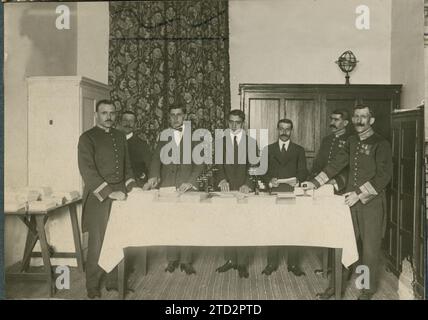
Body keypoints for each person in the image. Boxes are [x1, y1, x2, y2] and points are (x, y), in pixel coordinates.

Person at [303, 104, 393, 300]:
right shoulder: (351, 141)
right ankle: (335, 287)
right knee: (342, 244)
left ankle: (366, 289)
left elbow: (384, 176)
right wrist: (314, 183)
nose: (359, 120)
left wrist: (359, 193)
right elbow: (335, 165)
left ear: (372, 120)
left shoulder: (381, 143)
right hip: (349, 203)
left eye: (364, 116)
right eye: (356, 116)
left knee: (369, 249)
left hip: (371, 204)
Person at [78, 100, 136, 299]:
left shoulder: (120, 136)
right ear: (96, 115)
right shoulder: (87, 138)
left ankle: (114, 282)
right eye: (104, 113)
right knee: (98, 242)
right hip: (99, 196)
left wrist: (132, 188)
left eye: (112, 113)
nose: (109, 117)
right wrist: (109, 193)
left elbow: (127, 167)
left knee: (120, 237)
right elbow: (88, 171)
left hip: (121, 195)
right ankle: (92, 286)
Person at [143, 105, 203, 275]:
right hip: (167, 185)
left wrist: (190, 182)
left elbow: (200, 164)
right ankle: (172, 260)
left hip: (186, 187)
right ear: (169, 118)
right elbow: (156, 159)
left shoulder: (195, 136)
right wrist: (153, 176)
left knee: (187, 224)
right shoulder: (163, 136)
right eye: (173, 115)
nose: (176, 118)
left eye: (179, 115)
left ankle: (186, 261)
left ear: (185, 116)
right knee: (169, 223)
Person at [261, 119, 308, 277]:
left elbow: (303, 171)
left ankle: (293, 264)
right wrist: (269, 180)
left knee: (293, 228)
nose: (284, 132)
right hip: (273, 193)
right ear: (277, 130)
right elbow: (263, 171)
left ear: (291, 131)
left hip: (291, 193)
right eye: (281, 129)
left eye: (287, 129)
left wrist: (299, 180)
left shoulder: (299, 150)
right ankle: (271, 263)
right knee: (272, 228)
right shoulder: (268, 149)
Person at [215, 109, 254, 278]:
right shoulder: (220, 142)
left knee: (244, 226)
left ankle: (242, 263)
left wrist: (248, 184)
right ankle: (230, 260)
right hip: (226, 191)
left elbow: (254, 168)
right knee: (226, 226)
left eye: (237, 122)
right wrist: (221, 180)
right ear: (227, 122)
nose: (234, 125)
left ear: (243, 123)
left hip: (244, 192)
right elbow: (216, 166)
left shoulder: (251, 143)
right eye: (231, 121)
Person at [311, 109, 352, 194]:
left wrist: (336, 181)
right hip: (322, 184)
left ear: (345, 123)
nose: (332, 123)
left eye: (336, 120)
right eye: (331, 119)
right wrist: (313, 178)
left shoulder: (351, 140)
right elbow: (319, 163)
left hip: (341, 186)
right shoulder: (327, 140)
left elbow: (352, 167)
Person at [119, 110, 152, 187]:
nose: (128, 123)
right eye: (125, 120)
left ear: (135, 124)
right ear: (120, 122)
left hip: (136, 186)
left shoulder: (142, 144)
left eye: (131, 121)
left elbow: (150, 167)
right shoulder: (112, 142)